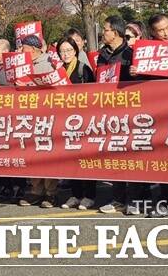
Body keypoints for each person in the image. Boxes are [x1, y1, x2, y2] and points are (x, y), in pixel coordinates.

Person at [130, 13, 168, 217]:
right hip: (157, 110)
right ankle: (165, 200)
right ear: (152, 32)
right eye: (160, 30)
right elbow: (143, 77)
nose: (165, 33)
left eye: (167, 27)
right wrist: (135, 72)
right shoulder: (146, 49)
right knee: (162, 156)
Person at [96, 15, 148, 215]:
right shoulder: (102, 55)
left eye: (106, 29)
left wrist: (137, 73)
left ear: (115, 32)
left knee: (132, 157)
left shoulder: (131, 53)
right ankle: (117, 198)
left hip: (131, 112)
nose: (103, 32)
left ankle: (135, 200)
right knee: (115, 155)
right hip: (110, 112)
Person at [17, 34, 59, 208]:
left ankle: (50, 193)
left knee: (46, 155)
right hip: (28, 116)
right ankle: (36, 190)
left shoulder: (48, 64)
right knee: (32, 154)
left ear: (33, 49)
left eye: (23, 48)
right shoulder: (21, 65)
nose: (20, 51)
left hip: (46, 115)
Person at [56, 36, 97, 210]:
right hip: (65, 120)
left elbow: (93, 93)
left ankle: (89, 196)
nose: (65, 54)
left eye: (68, 51)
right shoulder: (57, 70)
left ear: (76, 51)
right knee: (71, 160)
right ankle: (75, 194)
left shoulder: (83, 69)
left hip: (83, 119)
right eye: (62, 51)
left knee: (86, 159)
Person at [0, 37, 27, 204]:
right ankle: (5, 187)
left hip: (14, 119)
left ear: (5, 51)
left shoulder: (15, 68)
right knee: (0, 154)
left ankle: (20, 186)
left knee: (16, 155)